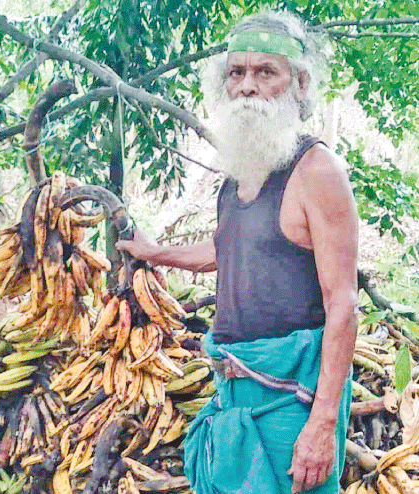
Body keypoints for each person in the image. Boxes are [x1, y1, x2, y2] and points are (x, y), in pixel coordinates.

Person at [117, 11, 358, 494]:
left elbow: (344, 305)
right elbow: (226, 248)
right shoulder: (238, 176)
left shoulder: (318, 171)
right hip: (233, 390)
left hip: (291, 402)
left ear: (300, 82)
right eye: (237, 72)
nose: (247, 85)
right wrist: (155, 253)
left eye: (265, 71)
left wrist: (321, 425)